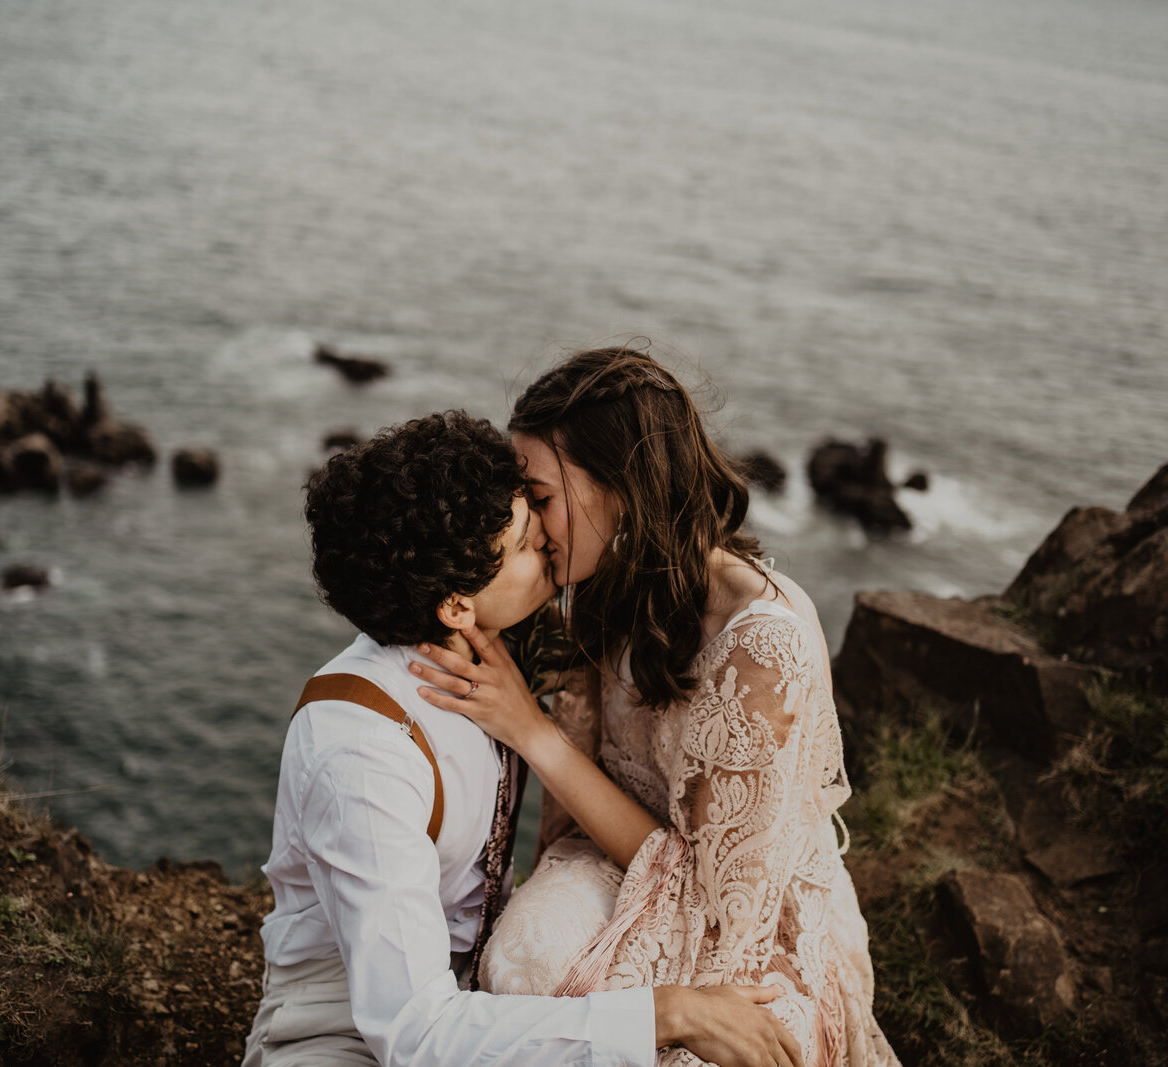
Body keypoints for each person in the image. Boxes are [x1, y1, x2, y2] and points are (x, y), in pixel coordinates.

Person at [244, 410, 805, 1067]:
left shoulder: (493, 645)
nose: (549, 536)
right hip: (346, 1041)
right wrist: (669, 1013)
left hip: (483, 1008)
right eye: (525, 541)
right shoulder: (362, 752)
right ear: (456, 604)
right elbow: (414, 1034)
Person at [409, 348, 901, 1066]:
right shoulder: (605, 576)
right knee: (523, 961)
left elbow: (714, 897)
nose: (533, 527)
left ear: (621, 488)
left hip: (740, 916)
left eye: (540, 497)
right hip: (616, 854)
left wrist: (534, 732)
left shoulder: (763, 645)